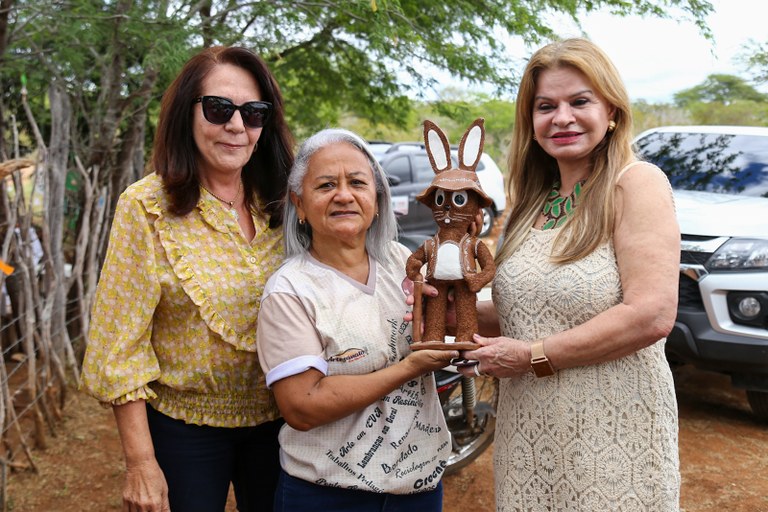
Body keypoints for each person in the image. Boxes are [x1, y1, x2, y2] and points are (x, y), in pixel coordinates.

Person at [458, 37, 681, 510]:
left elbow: (651, 314)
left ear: (612, 111)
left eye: (580, 101)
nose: (561, 118)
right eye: (545, 106)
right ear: (531, 121)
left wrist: (533, 357)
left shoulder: (636, 183)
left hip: (614, 434)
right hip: (529, 433)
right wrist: (445, 308)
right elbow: (520, 314)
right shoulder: (529, 202)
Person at [80, 45, 294, 512]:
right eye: (220, 109)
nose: (237, 126)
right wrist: (140, 463)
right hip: (184, 432)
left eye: (254, 113)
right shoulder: (145, 207)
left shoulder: (285, 202)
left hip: (286, 424)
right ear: (186, 113)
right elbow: (121, 344)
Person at [255, 128, 456, 512]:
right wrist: (409, 368)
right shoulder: (291, 290)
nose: (344, 195)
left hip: (419, 487)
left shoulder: (401, 261)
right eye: (326, 185)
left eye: (358, 183)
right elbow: (302, 406)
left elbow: (438, 321)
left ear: (377, 199)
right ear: (299, 203)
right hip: (329, 494)